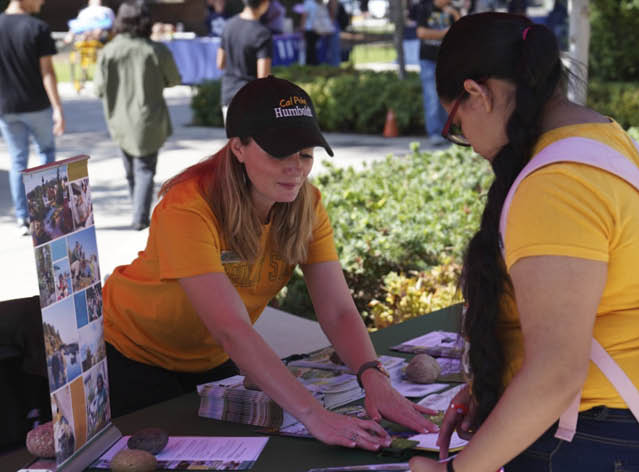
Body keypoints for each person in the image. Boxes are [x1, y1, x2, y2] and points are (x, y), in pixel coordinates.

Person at [102, 77, 438, 451]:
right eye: (280, 153)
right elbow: (232, 328)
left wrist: (374, 378)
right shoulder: (188, 206)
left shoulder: (308, 204)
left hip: (210, 358)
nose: (296, 167)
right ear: (238, 148)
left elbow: (338, 310)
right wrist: (315, 417)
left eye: (306, 153)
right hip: (129, 352)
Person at [407, 13, 639, 471]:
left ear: (477, 93)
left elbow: (556, 374)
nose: (465, 140)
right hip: (613, 430)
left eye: (455, 126)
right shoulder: (603, 137)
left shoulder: (556, 185)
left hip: (586, 439)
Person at [0, 0, 65, 236]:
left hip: (7, 107)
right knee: (46, 154)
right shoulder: (38, 28)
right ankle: (49, 215)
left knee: (18, 161)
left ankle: (22, 218)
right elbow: (47, 71)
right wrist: (58, 108)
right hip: (37, 105)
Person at [96, 0, 183, 230]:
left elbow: (98, 88)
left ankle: (138, 210)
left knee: (130, 170)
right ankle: (140, 218)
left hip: (118, 120)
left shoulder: (108, 51)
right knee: (144, 169)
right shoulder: (156, 50)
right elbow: (174, 79)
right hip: (148, 120)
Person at [408, 0, 458, 147]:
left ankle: (445, 132)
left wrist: (454, 13)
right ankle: (434, 133)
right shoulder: (425, 8)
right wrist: (443, 33)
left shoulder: (451, 10)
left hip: (447, 61)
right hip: (428, 60)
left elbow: (463, 29)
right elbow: (421, 32)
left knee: (446, 98)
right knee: (432, 97)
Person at [217, 0, 273, 121]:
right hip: (251, 99)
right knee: (253, 140)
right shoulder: (262, 33)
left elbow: (220, 63)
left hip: (228, 95)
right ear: (264, 3)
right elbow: (263, 76)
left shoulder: (228, 25)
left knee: (234, 139)